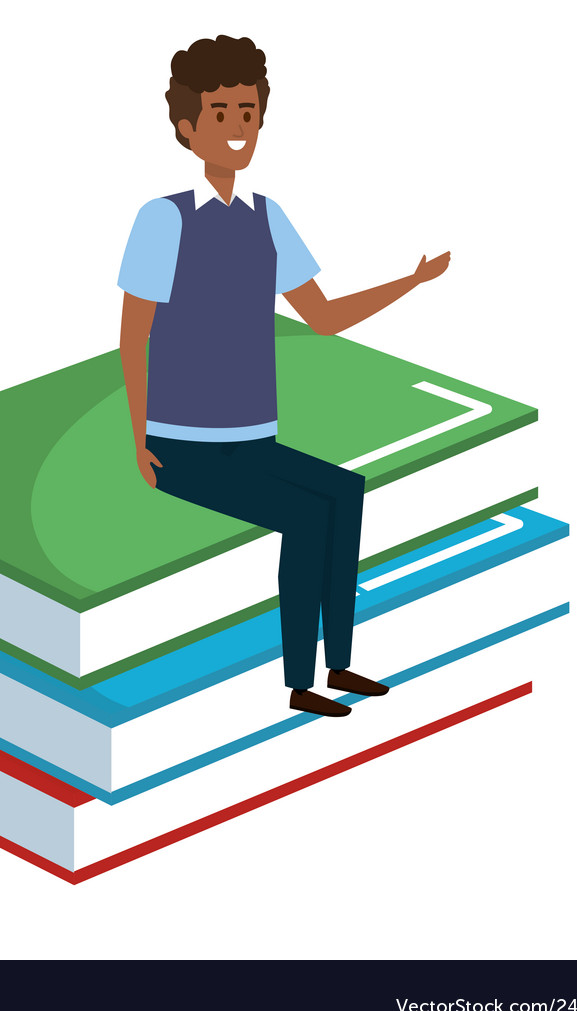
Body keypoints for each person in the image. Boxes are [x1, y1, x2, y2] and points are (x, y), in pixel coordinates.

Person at [118, 35, 450, 717]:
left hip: (252, 437)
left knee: (343, 493)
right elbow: (134, 334)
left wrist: (410, 284)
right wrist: (138, 439)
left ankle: (340, 663)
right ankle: (301, 682)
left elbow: (322, 316)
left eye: (248, 112)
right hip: (184, 442)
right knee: (305, 516)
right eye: (220, 114)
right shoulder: (163, 221)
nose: (238, 128)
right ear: (187, 127)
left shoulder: (268, 219)